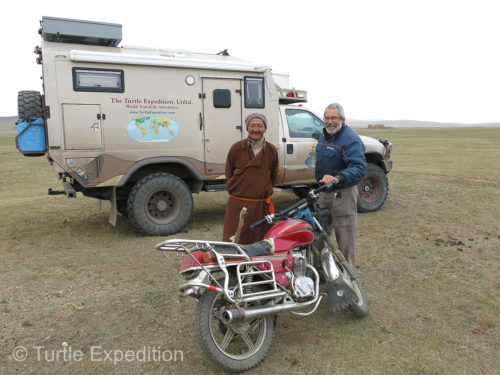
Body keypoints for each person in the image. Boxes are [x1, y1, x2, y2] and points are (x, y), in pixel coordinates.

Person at [314, 103, 366, 267]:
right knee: (318, 235)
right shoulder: (324, 135)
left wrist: (338, 178)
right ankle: (319, 274)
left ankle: (346, 279)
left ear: (342, 119)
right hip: (323, 193)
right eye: (327, 118)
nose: (329, 122)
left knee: (345, 239)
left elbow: (359, 168)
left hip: (343, 195)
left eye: (333, 118)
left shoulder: (351, 139)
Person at [222, 113, 279, 244]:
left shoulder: (271, 150)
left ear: (265, 128)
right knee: (235, 242)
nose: (256, 129)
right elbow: (228, 173)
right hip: (238, 206)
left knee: (260, 243)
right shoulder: (236, 148)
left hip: (261, 207)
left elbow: (273, 176)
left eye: (260, 126)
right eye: (252, 125)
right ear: (247, 128)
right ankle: (234, 265)